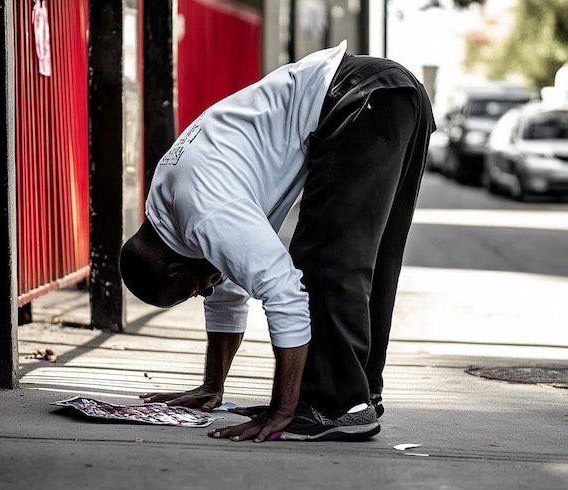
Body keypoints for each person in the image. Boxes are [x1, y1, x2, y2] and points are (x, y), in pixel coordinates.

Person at [119, 40, 435, 443]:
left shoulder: (203, 211)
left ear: (175, 269)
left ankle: (333, 405)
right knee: (370, 261)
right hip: (391, 95)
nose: (208, 289)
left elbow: (283, 293)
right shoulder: (173, 209)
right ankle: (355, 400)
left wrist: (281, 409)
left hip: (357, 101)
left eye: (193, 290)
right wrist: (212, 385)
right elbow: (228, 295)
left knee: (321, 263)